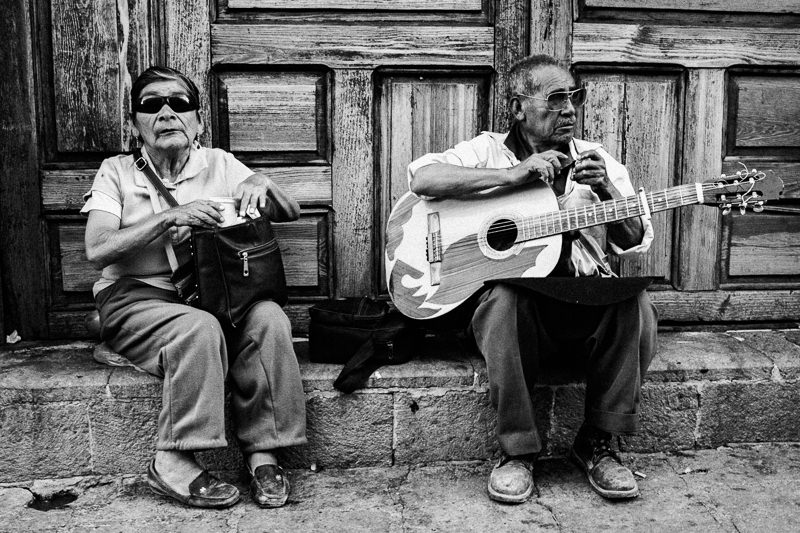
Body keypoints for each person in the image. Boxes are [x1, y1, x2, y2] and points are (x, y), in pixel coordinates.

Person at [407, 54, 658, 502]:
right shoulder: (486, 151)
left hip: (580, 304)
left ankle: (598, 442)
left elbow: (635, 239)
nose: (570, 109)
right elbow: (424, 178)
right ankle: (519, 452)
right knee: (504, 298)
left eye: (574, 97)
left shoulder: (595, 161)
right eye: (555, 98)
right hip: (521, 315)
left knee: (635, 303)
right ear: (519, 107)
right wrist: (511, 174)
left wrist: (607, 191)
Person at [82, 66, 306, 509]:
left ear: (198, 121)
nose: (166, 113)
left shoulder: (219, 163)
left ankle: (264, 450)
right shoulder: (117, 172)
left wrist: (263, 182)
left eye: (179, 103)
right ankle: (173, 461)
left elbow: (291, 211)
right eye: (151, 105)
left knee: (269, 318)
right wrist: (169, 217)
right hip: (137, 298)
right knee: (199, 329)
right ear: (135, 124)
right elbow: (97, 248)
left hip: (214, 293)